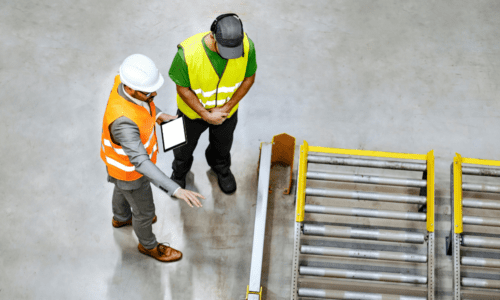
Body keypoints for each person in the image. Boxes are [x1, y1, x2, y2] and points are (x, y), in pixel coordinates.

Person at [100, 54, 205, 262]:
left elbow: (141, 108)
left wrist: (158, 116)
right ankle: (148, 245)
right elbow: (140, 162)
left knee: (120, 189)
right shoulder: (123, 123)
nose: (154, 94)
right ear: (131, 89)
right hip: (132, 173)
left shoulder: (121, 81)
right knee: (145, 212)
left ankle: (121, 219)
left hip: (117, 167)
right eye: (148, 93)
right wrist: (175, 189)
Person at [168, 13, 257, 194]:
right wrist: (205, 114)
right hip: (190, 113)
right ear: (212, 36)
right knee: (181, 149)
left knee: (223, 146)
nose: (230, 56)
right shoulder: (186, 53)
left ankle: (221, 168)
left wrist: (227, 108)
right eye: (224, 49)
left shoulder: (248, 47)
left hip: (226, 112)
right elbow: (182, 89)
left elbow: (249, 78)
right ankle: (178, 173)